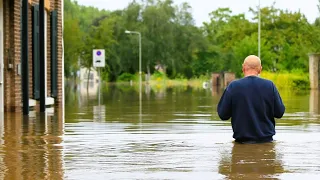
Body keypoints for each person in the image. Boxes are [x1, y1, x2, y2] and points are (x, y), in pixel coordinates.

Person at [217, 55, 285, 144]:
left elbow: (223, 115)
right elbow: (279, 113)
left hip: (241, 144)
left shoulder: (233, 87)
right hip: (266, 142)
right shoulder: (269, 86)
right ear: (260, 69)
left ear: (243, 68)